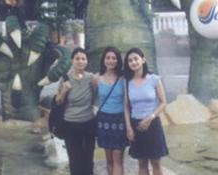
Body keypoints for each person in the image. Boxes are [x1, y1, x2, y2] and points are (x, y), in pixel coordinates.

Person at [124, 47, 168, 175]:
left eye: (136, 59)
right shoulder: (127, 82)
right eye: (130, 60)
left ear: (143, 60)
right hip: (136, 124)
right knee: (141, 163)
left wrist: (151, 117)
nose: (133, 62)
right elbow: (126, 106)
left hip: (153, 124)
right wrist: (129, 128)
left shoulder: (154, 79)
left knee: (156, 163)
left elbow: (164, 102)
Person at [55, 47, 95, 175]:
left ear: (87, 61)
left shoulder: (91, 78)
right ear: (72, 60)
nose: (80, 61)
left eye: (83, 59)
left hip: (89, 122)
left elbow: (96, 96)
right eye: (77, 58)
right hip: (70, 123)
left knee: (88, 156)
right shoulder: (65, 79)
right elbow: (58, 101)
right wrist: (64, 91)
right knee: (74, 157)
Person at [96, 47, 128, 175]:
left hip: (120, 120)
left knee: (118, 159)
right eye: (108, 58)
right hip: (103, 121)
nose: (111, 61)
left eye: (114, 58)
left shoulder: (124, 78)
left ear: (118, 60)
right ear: (104, 60)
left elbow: (126, 103)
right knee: (109, 160)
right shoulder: (97, 78)